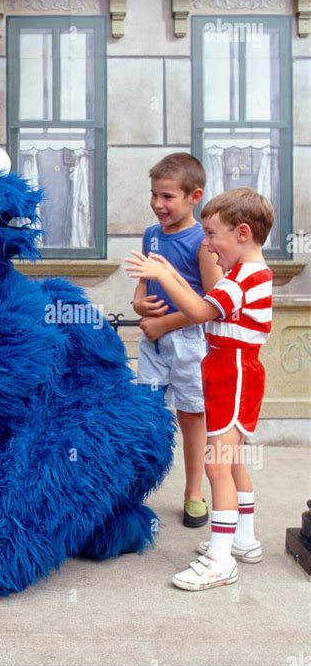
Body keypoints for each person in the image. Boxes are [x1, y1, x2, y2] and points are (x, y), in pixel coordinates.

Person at [126, 187, 274, 591]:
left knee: (217, 464)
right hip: (233, 369)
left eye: (212, 235)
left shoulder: (241, 278)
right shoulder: (251, 274)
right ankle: (242, 539)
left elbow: (197, 310)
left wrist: (163, 276)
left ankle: (221, 560)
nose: (206, 244)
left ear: (242, 233)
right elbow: (204, 300)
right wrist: (168, 273)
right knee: (233, 459)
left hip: (233, 371)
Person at [133, 153, 222, 528]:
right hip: (153, 338)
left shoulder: (203, 242)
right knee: (146, 411)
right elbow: (143, 280)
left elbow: (214, 303)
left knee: (190, 415)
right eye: (154, 194)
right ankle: (133, 490)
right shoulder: (152, 234)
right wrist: (138, 303)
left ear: (194, 196)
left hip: (188, 341)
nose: (158, 204)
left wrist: (165, 323)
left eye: (167, 196)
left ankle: (193, 493)